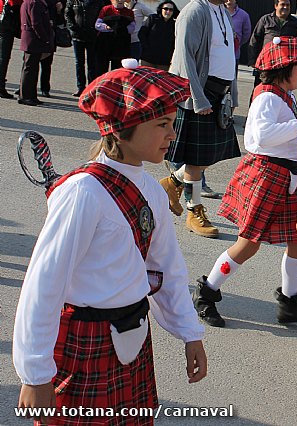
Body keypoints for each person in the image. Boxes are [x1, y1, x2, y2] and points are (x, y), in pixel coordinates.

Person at [13, 62, 207, 425]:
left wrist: (190, 333)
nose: (172, 133)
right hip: (84, 344)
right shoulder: (82, 193)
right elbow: (44, 284)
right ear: (120, 130)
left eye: (171, 122)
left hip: (134, 338)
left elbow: (165, 268)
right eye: (161, 124)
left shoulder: (151, 189)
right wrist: (35, 374)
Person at [192, 36, 297, 328]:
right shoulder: (267, 96)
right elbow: (257, 139)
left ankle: (290, 302)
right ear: (284, 68)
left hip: (285, 176)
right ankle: (207, 292)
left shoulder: (283, 94)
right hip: (266, 176)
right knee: (248, 243)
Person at [159, 0, 240, 238]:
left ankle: (172, 182)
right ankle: (194, 210)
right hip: (202, 94)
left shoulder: (223, 12)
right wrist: (198, 98)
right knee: (196, 161)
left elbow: (228, 56)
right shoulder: (194, 12)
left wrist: (232, 94)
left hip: (218, 94)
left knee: (208, 156)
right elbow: (186, 59)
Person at [248, 0, 297, 95]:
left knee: (282, 93)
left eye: (288, 5)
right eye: (283, 5)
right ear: (275, 5)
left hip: (285, 68)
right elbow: (255, 40)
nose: (286, 7)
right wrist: (253, 61)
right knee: (260, 92)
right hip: (266, 66)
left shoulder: (296, 24)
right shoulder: (265, 20)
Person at [65, 0, 106, 96]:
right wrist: (73, 28)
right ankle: (80, 87)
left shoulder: (98, 2)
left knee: (92, 63)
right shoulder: (73, 1)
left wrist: (96, 30)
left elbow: (102, 16)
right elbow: (68, 15)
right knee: (79, 63)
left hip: (92, 36)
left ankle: (91, 87)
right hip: (77, 35)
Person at [17, 0, 54, 106]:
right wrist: (45, 38)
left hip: (31, 40)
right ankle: (25, 96)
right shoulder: (35, 3)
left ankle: (31, 95)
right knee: (29, 69)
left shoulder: (29, 2)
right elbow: (36, 23)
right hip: (34, 40)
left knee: (31, 69)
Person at [94, 0, 135, 76]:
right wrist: (107, 27)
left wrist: (120, 29)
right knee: (101, 69)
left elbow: (132, 28)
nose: (119, 0)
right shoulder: (106, 9)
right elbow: (97, 25)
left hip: (121, 45)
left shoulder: (129, 12)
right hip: (105, 43)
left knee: (117, 71)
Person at [138, 0, 179, 71]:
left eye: (171, 10)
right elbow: (141, 34)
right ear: (161, 9)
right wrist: (146, 48)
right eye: (166, 9)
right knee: (147, 80)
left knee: (161, 81)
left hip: (164, 61)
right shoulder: (152, 19)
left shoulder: (175, 24)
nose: (168, 11)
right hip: (148, 58)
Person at [225, 0, 250, 114]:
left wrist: (237, 44)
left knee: (231, 86)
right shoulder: (218, 11)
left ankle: (229, 113)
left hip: (233, 56)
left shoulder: (243, 15)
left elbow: (246, 34)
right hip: (216, 56)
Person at [0, 0, 22, 99]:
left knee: (3, 56)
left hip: (3, 16)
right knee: (3, 56)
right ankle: (0, 86)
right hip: (7, 21)